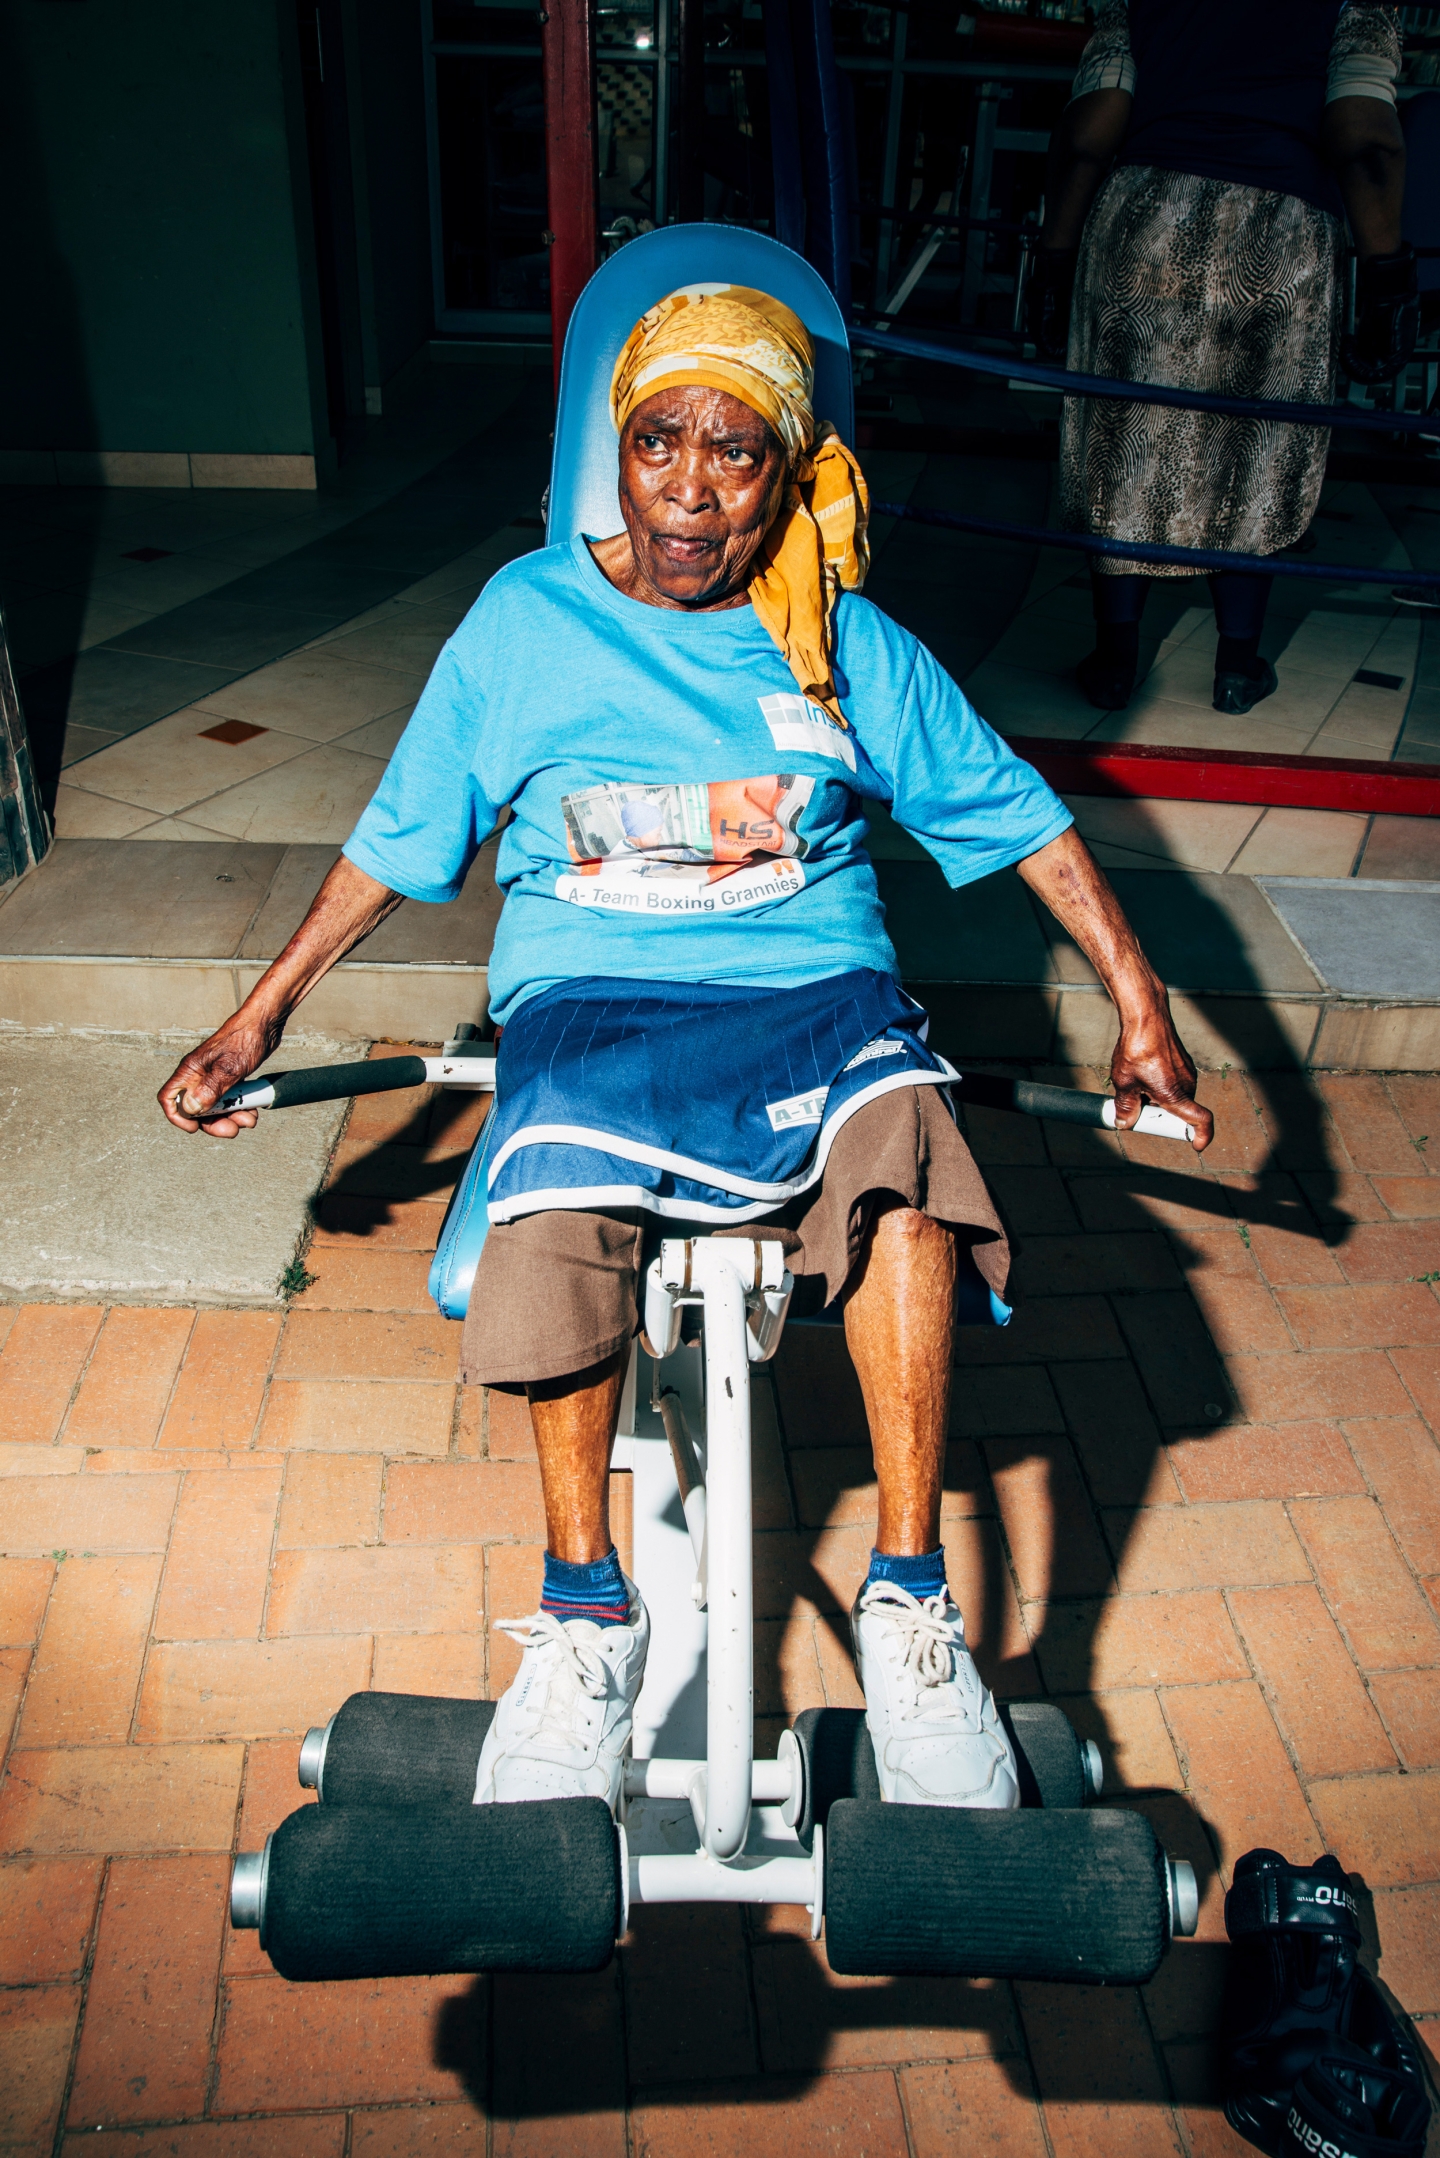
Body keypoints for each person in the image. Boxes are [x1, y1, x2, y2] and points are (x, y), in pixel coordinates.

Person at [158, 284, 1213, 1816]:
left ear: (788, 471)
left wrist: (1142, 1006)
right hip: (594, 997)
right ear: (618, 446)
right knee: (550, 1186)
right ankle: (587, 1617)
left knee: (909, 1159)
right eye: (662, 443)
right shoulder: (527, 621)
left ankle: (912, 1606)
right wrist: (257, 1015)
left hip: (818, 994)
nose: (693, 489)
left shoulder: (839, 634)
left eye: (736, 452)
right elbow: (403, 833)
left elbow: (1023, 820)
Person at [1029, 0, 1416, 715]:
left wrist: (1054, 256)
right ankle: (1238, 665)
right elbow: (1367, 142)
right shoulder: (1354, 4)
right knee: (1259, 447)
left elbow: (1088, 135)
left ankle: (1115, 661)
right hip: (1281, 235)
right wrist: (1387, 271)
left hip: (1143, 224)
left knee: (1124, 445)